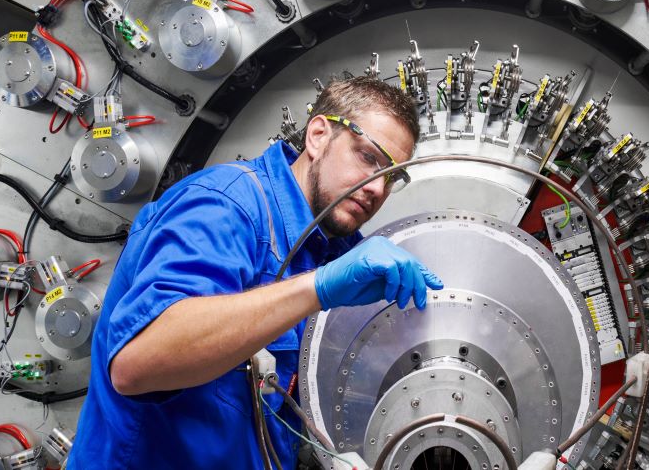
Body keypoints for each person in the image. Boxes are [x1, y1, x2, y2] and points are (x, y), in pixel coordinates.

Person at [67, 76, 443, 469]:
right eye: (368, 158)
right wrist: (316, 288)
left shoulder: (335, 250)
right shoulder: (226, 207)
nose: (378, 188)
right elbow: (136, 366)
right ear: (318, 136)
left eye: (392, 177)